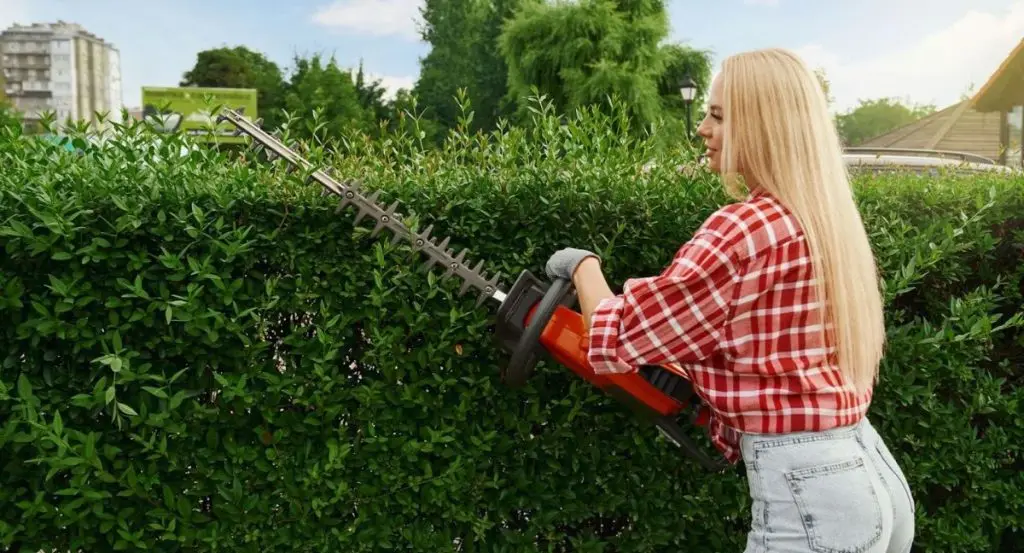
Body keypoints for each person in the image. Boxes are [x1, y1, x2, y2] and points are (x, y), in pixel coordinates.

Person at [544, 48, 916, 553]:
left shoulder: (746, 227)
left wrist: (583, 266)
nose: (701, 127)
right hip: (868, 469)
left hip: (812, 495)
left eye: (718, 115)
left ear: (761, 125)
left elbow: (615, 334)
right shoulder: (824, 221)